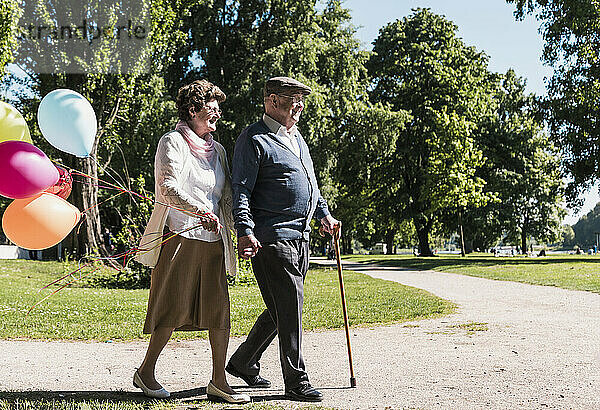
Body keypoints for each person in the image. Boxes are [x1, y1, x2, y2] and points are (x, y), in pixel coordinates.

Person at [133, 80, 250, 404]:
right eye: (212, 109)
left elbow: (225, 198)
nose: (218, 115)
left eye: (218, 109)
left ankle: (218, 380)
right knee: (173, 307)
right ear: (193, 109)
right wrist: (198, 210)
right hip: (179, 234)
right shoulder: (172, 141)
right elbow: (167, 187)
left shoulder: (219, 150)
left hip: (213, 239)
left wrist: (239, 232)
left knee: (219, 311)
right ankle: (146, 371)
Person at [226, 76, 341, 402]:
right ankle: (296, 381)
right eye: (294, 100)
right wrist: (245, 229)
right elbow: (241, 189)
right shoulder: (253, 139)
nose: (300, 106)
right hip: (271, 237)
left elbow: (311, 183)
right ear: (272, 101)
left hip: (301, 236)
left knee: (281, 308)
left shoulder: (296, 138)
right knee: (290, 309)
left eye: (302, 99)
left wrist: (324, 215)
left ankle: (243, 361)